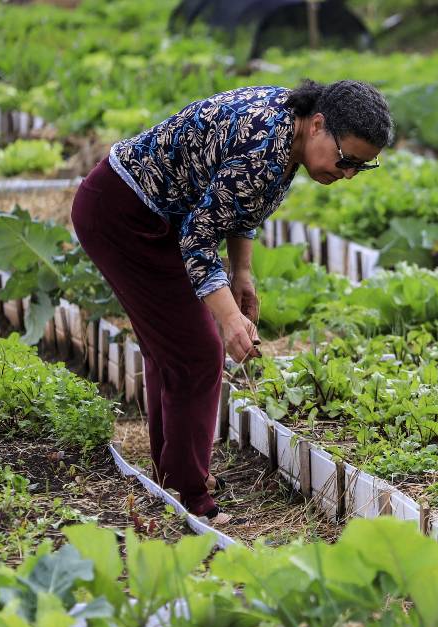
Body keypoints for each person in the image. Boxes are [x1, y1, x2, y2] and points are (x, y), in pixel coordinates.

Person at [71, 81, 393, 523]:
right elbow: (199, 238)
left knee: (174, 349)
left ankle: (175, 475)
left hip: (155, 213)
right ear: (319, 125)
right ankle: (189, 495)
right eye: (347, 160)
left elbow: (239, 206)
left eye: (361, 166)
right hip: (124, 216)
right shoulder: (264, 146)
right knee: (199, 353)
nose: (348, 173)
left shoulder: (289, 129)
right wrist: (229, 319)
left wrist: (242, 273)